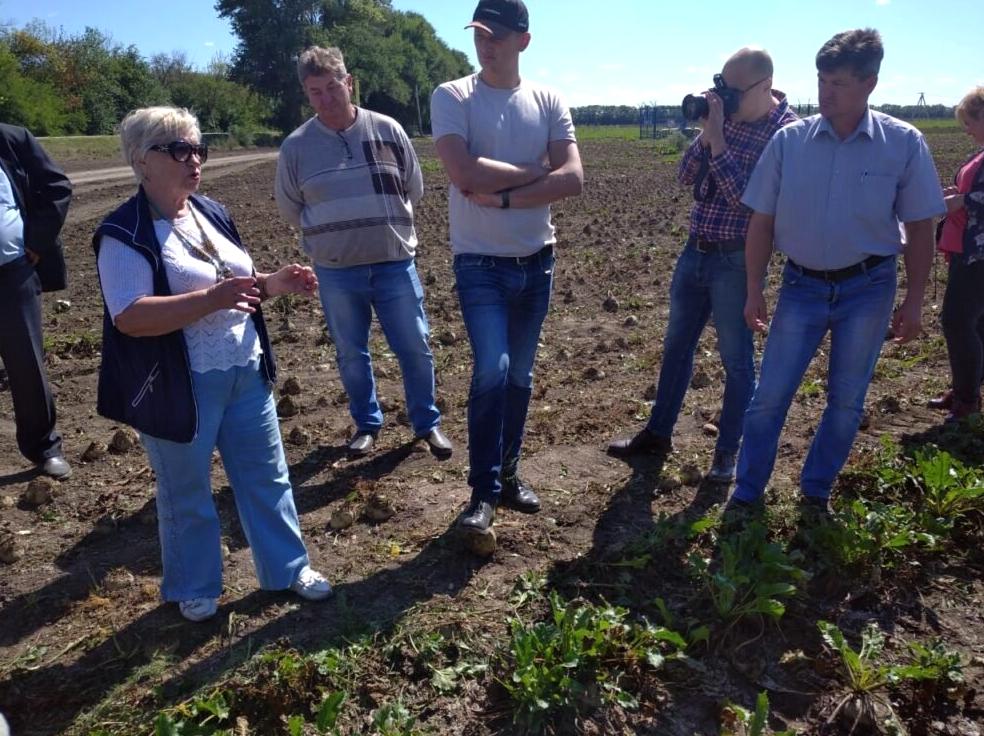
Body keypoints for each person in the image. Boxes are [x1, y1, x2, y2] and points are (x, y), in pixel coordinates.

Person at [93, 106, 331, 622]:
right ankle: (193, 586)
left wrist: (272, 284)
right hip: (178, 384)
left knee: (268, 476)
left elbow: (232, 286)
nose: (193, 159)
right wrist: (214, 299)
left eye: (198, 148)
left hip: (243, 369)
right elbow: (130, 317)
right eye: (178, 149)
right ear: (142, 160)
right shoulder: (124, 232)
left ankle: (288, 569)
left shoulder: (210, 211)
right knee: (186, 492)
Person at [729, 29, 945, 517]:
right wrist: (753, 287)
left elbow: (919, 225)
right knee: (769, 398)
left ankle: (816, 490)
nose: (826, 94)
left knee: (846, 401)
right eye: (822, 81)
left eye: (840, 84)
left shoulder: (902, 143)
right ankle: (746, 493)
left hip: (868, 288)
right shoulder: (790, 142)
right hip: (802, 285)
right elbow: (760, 220)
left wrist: (914, 300)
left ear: (869, 83)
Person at [608, 48, 799, 484]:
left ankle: (728, 453)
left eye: (731, 91)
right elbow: (684, 174)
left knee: (737, 360)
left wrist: (720, 141)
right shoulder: (725, 119)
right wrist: (710, 131)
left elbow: (750, 203)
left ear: (764, 85)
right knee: (677, 347)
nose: (724, 98)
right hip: (695, 250)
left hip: (736, 258)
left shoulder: (786, 132)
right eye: (720, 87)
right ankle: (657, 435)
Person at [431, 0, 583, 533]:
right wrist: (534, 171)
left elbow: (573, 179)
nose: (485, 43)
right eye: (479, 33)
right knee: (491, 370)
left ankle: (509, 476)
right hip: (480, 264)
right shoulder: (452, 96)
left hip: (537, 260)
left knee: (519, 375)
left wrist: (503, 198)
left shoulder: (547, 99)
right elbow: (462, 170)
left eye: (495, 35)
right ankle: (481, 492)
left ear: (524, 40)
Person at [275, 46, 451, 461]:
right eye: (315, 91)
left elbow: (414, 187)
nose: (326, 98)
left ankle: (427, 424)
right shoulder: (296, 147)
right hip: (336, 271)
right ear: (307, 94)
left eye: (333, 87)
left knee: (415, 346)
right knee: (352, 353)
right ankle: (367, 424)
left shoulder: (388, 129)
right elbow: (290, 207)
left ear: (348, 83)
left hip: (394, 264)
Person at [0, 124, 73, 479]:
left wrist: (37, 240)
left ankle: (44, 447)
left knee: (26, 363)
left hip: (12, 271)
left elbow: (57, 186)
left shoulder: (11, 140)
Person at [930, 87, 984, 421]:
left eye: (969, 121)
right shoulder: (979, 154)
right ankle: (968, 388)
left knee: (956, 320)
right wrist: (958, 193)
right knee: (976, 323)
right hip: (968, 249)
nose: (966, 129)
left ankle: (967, 399)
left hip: (979, 255)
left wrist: (964, 200)